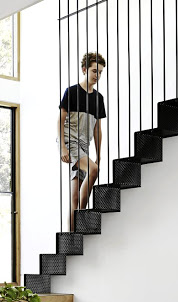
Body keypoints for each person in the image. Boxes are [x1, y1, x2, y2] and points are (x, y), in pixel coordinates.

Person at [58, 52, 106, 231]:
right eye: (94, 71)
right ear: (85, 69)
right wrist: (63, 147)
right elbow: (60, 120)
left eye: (100, 72)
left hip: (84, 146)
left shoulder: (98, 99)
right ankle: (82, 218)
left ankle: (71, 237)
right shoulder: (71, 92)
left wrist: (99, 155)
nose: (97, 75)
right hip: (70, 140)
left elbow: (97, 129)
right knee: (93, 170)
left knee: (75, 198)